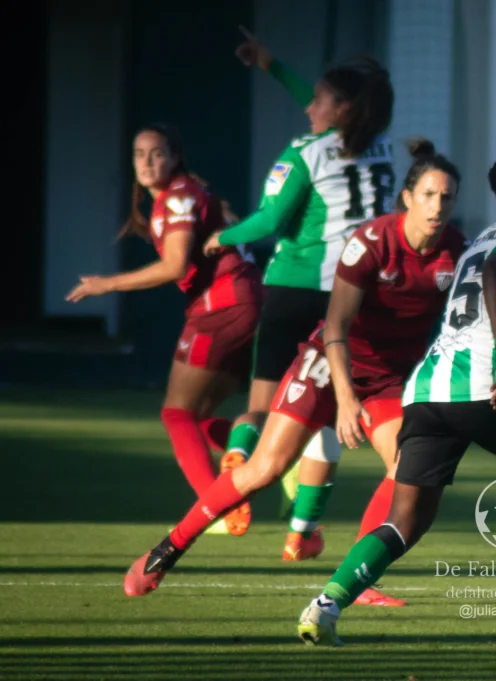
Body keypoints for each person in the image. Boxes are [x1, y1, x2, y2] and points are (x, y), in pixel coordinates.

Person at [122, 140, 467, 604]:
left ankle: (356, 577)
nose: (437, 206)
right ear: (407, 198)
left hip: (385, 379)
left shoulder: (457, 251)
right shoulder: (371, 241)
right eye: (428, 195)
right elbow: (336, 326)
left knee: (406, 468)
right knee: (264, 469)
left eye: (446, 197)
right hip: (327, 362)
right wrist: (346, 398)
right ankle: (166, 550)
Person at [296, 148, 496, 647]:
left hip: (428, 391)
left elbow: (494, 310)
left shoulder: (480, 240)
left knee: (405, 521)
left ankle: (324, 608)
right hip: (483, 385)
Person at [200, 27, 396, 537]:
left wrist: (222, 236)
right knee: (324, 416)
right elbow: (333, 109)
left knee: (261, 408)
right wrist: (272, 65)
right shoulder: (382, 149)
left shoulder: (304, 154)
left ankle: (238, 460)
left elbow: (270, 221)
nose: (308, 107)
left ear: (341, 109)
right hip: (349, 299)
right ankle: (302, 532)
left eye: (318, 101)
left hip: (294, 289)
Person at [67, 124, 262, 528]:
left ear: (175, 158)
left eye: (157, 153)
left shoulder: (178, 198)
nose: (147, 162)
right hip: (246, 302)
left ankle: (216, 508)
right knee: (200, 416)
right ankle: (275, 454)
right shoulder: (186, 194)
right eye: (139, 154)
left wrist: (107, 284)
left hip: (221, 306)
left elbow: (174, 265)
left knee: (176, 414)